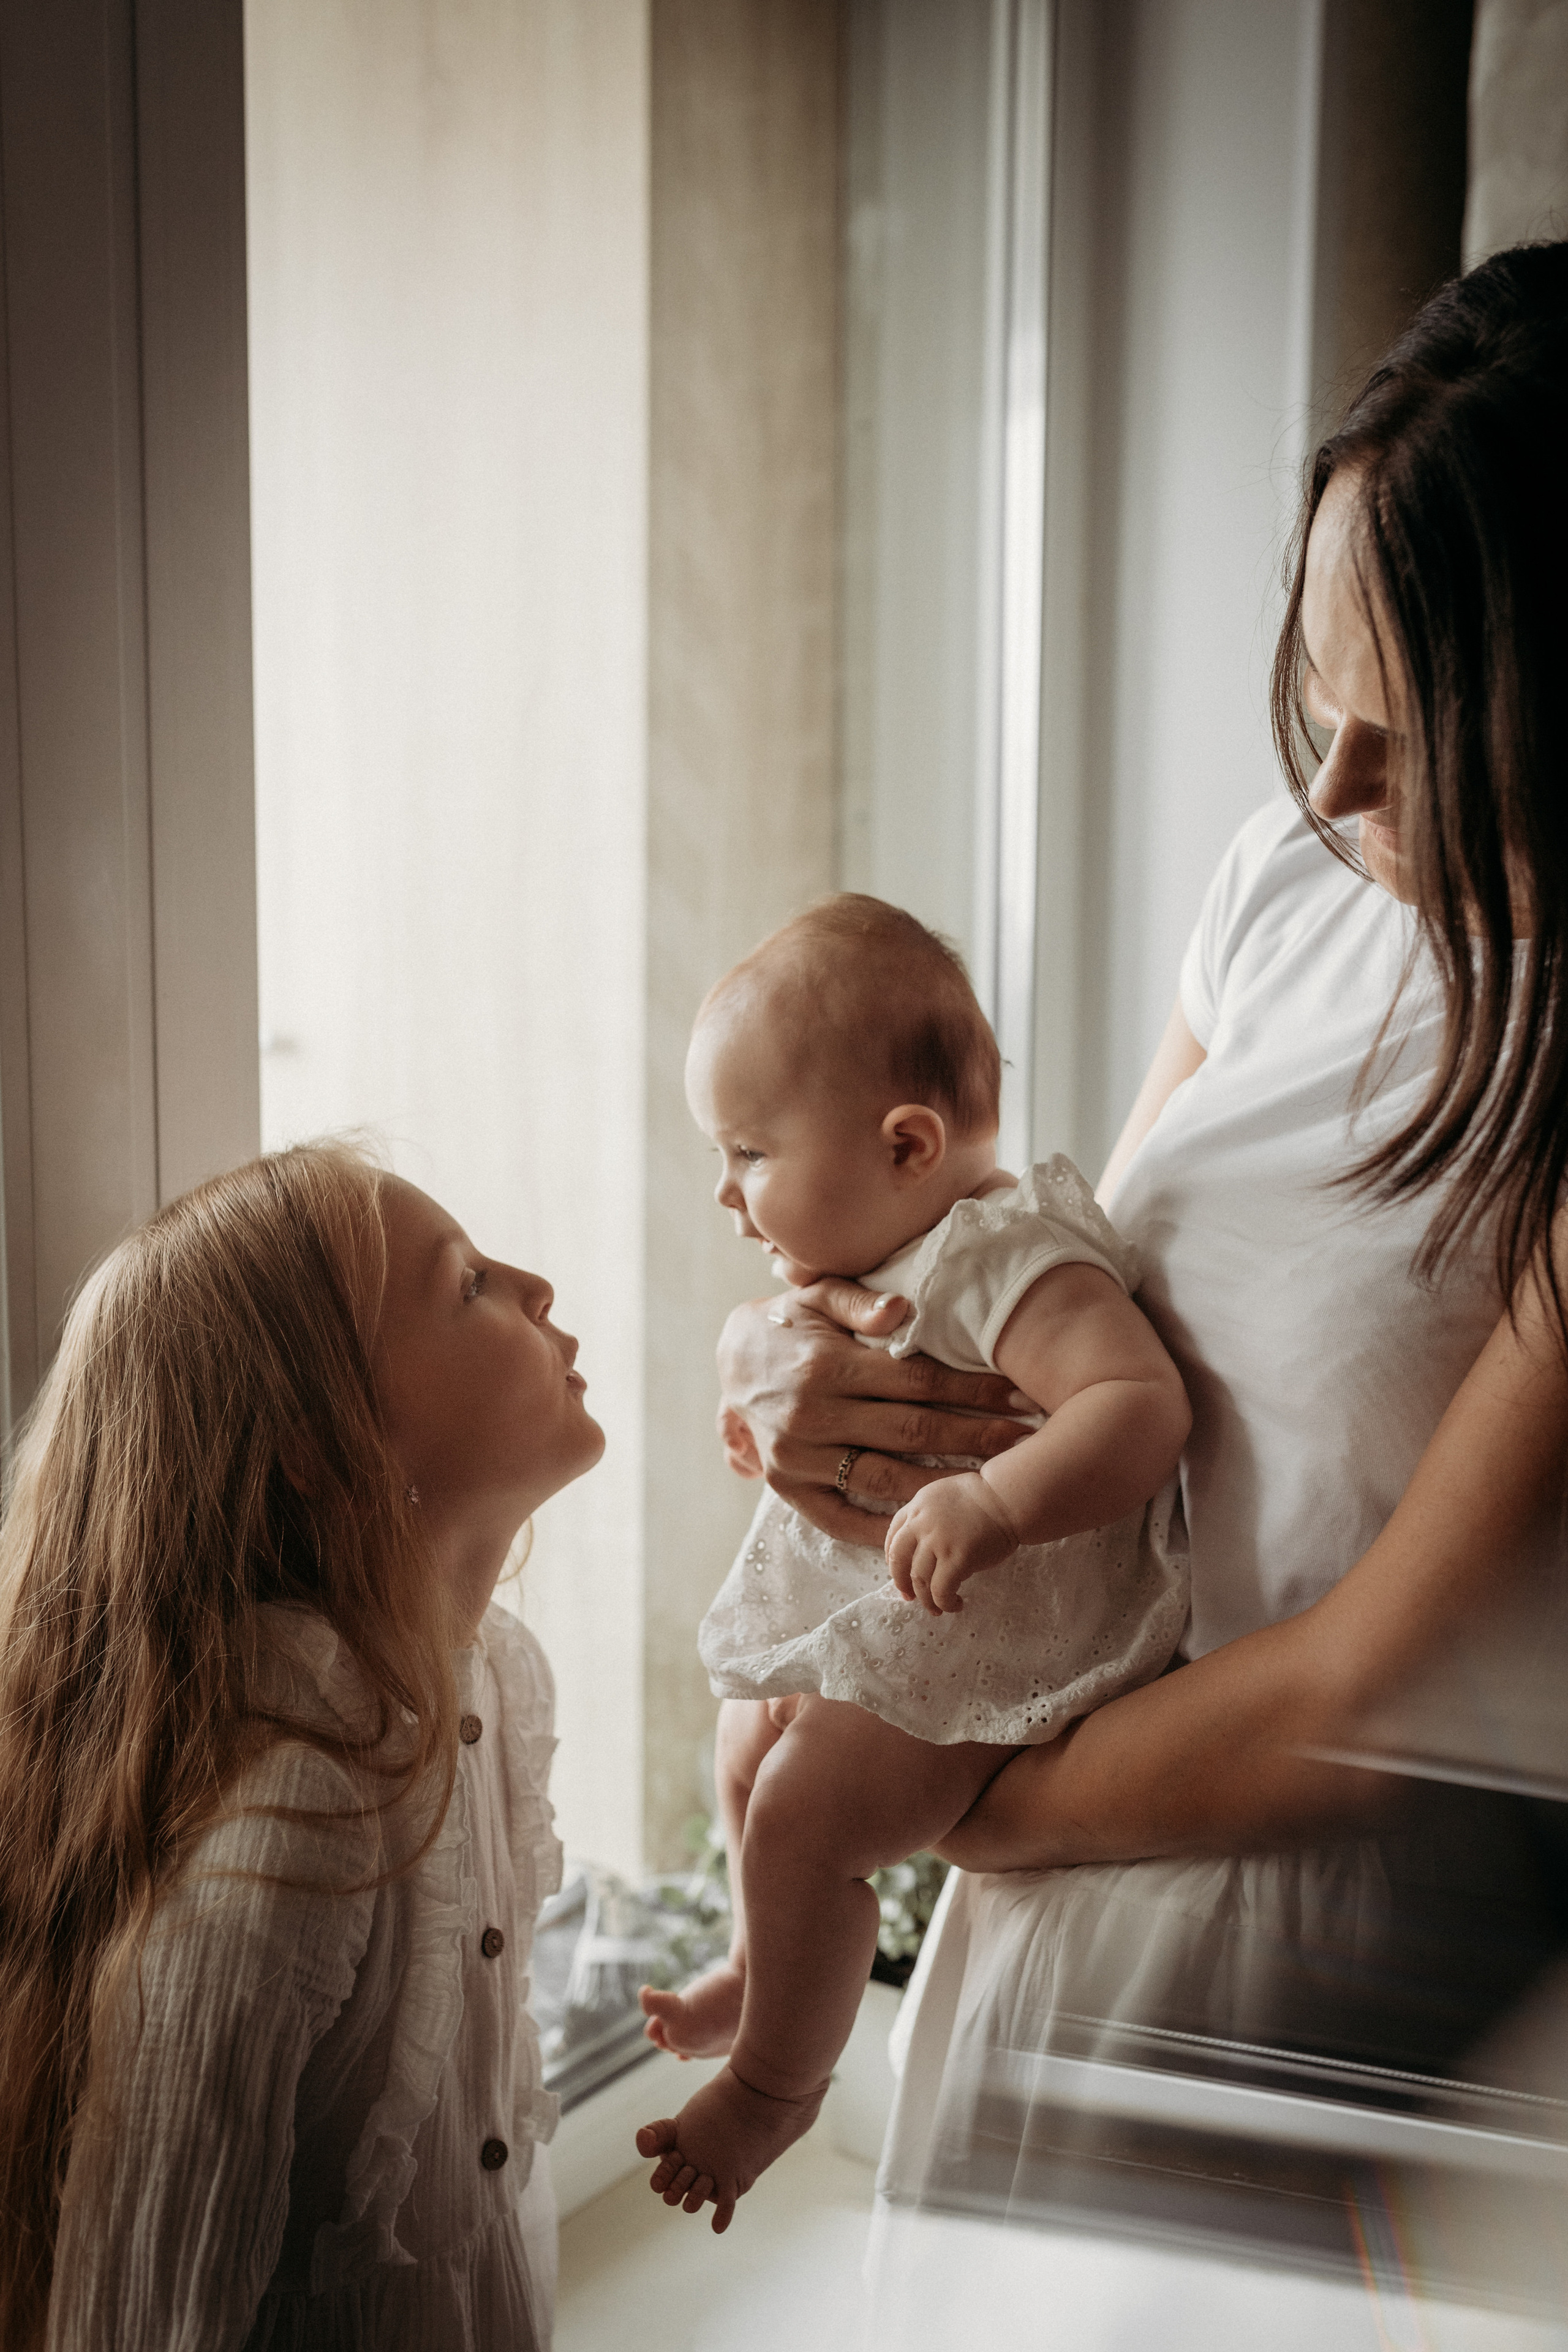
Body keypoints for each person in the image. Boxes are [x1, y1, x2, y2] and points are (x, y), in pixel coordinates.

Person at [707, 239, 1568, 2231]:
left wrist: (950, 1791)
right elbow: (1062, 1293)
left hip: (1299, 1944)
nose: (1325, 786)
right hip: (1055, 1838)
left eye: (1407, 733)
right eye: (1318, 697)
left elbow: (1363, 1703)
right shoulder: (1294, 876)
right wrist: (806, 1359)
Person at [633, 899, 1191, 2231]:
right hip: (896, 1606)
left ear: (905, 1144)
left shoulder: (1006, 1256)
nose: (724, 1192)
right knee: (738, 1742)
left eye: (749, 1152)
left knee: (807, 1814)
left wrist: (996, 1503)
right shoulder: (873, 1256)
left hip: (1000, 1627)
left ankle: (776, 2082)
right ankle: (759, 1956)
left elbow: (1137, 1408)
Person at [0, 1143, 604, 2351]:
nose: (537, 1286)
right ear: (323, 1448)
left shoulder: (487, 1680)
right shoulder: (298, 1816)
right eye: (469, 1285)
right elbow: (142, 2314)